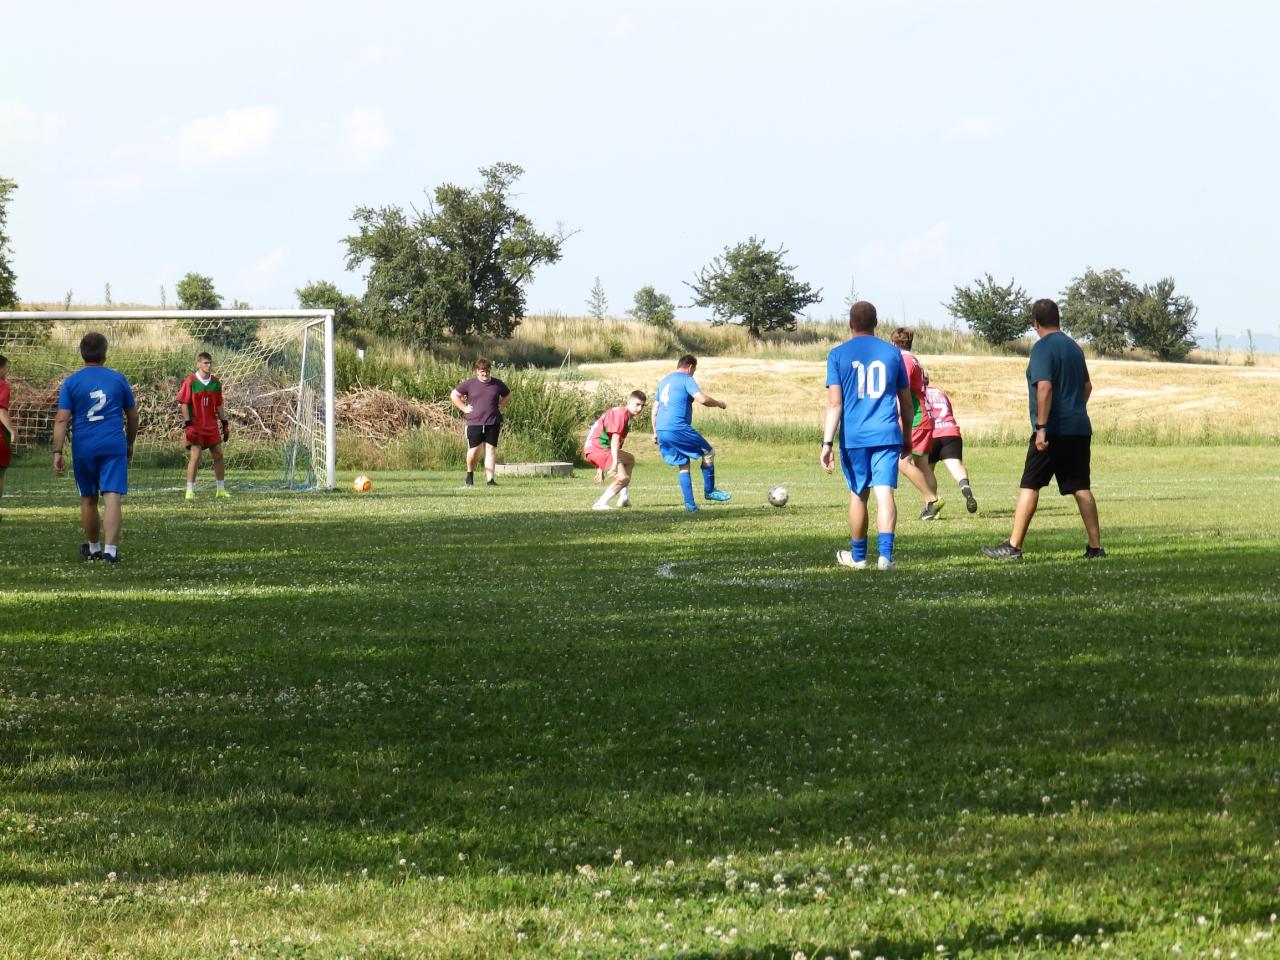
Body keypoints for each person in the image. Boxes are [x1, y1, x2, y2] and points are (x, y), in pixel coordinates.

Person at [983, 298, 1104, 560]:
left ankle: (1013, 546)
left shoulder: (1042, 348)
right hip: (1078, 427)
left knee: (1030, 484)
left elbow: (1045, 387)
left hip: (1051, 430)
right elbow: (1087, 387)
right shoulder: (1074, 348)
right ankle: (1095, 547)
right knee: (1080, 486)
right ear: (1058, 319)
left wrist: (1041, 428)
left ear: (1035, 323)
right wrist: (1074, 409)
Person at [821, 301, 913, 570]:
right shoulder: (893, 353)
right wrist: (907, 436)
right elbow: (906, 403)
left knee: (859, 495)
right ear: (876, 323)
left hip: (855, 438)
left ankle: (858, 557)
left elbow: (835, 404)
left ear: (850, 324)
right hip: (887, 434)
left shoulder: (837, 355)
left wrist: (827, 443)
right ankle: (885, 558)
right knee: (885, 493)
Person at [51, 332, 139, 563]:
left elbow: (62, 419)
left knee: (88, 498)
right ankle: (110, 551)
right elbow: (133, 416)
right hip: (113, 444)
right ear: (104, 354)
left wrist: (57, 451)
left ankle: (93, 548)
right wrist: (130, 442)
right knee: (112, 496)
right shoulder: (118, 379)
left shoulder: (71, 382)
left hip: (84, 446)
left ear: (82, 354)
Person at [653, 355, 731, 512]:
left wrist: (655, 432)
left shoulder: (665, 380)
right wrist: (719, 403)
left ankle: (690, 505)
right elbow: (702, 399)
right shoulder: (686, 378)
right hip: (678, 428)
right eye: (694, 370)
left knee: (683, 465)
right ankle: (710, 491)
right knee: (708, 452)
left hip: (662, 429)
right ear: (690, 367)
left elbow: (655, 408)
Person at [890, 327, 944, 520]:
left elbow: (901, 391)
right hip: (925, 415)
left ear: (894, 343)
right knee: (922, 464)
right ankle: (932, 510)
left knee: (902, 463)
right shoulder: (914, 360)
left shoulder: (904, 361)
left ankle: (932, 500)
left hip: (916, 417)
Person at [177, 351, 230, 500]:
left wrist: (224, 423)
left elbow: (219, 405)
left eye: (210, 362)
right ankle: (189, 491)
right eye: (205, 363)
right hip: (196, 426)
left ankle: (220, 490)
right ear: (198, 364)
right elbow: (184, 404)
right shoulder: (190, 381)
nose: (208, 365)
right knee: (196, 455)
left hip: (211, 425)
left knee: (218, 454)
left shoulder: (216, 382)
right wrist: (188, 424)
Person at [450, 358, 511, 487]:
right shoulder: (470, 384)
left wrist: (501, 405)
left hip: (493, 422)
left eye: (487, 371)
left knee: (490, 449)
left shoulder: (497, 384)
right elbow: (454, 395)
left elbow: (508, 395)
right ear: (477, 371)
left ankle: (490, 480)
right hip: (474, 422)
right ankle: (469, 474)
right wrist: (464, 408)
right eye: (482, 371)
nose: (485, 374)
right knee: (474, 449)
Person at [922, 376, 978, 514]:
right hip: (951, 432)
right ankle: (965, 488)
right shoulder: (940, 393)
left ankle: (931, 505)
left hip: (932, 434)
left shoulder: (919, 394)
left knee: (927, 472)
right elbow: (949, 412)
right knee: (956, 467)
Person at [584, 390, 646, 510]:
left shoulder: (622, 413)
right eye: (637, 404)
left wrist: (601, 467)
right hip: (598, 449)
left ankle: (623, 499)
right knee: (623, 478)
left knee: (629, 459)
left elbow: (609, 437)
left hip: (597, 448)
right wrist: (614, 463)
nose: (639, 409)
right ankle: (600, 503)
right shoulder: (621, 414)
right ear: (629, 401)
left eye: (642, 406)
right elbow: (614, 440)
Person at [0, 355, 13, 520]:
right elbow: (1, 410)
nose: (7, 372)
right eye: (5, 368)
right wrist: (12, 430)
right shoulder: (2, 386)